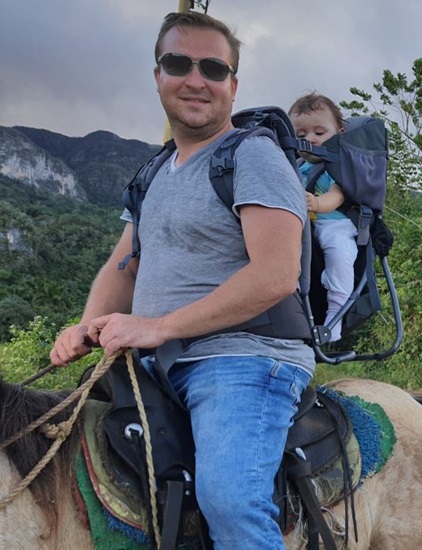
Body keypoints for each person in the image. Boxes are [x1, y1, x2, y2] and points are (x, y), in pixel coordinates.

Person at [49, 12, 313, 549]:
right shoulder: (152, 174)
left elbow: (276, 275)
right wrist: (87, 326)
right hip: (154, 360)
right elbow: (125, 265)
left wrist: (158, 327)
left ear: (232, 86)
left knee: (230, 501)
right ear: (158, 75)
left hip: (244, 356)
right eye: (179, 63)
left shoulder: (252, 156)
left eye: (213, 68)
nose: (196, 79)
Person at [289, 92, 358, 340]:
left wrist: (317, 203)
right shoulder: (298, 168)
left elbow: (337, 196)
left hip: (335, 224)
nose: (311, 140)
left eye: (319, 133)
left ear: (339, 132)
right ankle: (289, 302)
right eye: (301, 135)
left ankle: (335, 317)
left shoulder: (338, 164)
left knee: (340, 255)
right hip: (304, 227)